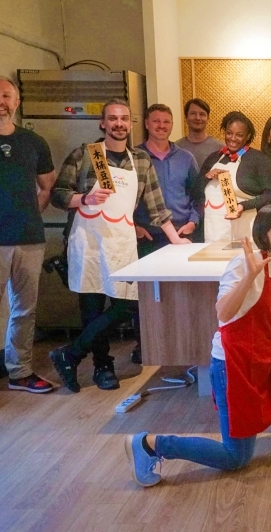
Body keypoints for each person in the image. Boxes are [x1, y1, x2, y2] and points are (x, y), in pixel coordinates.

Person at [125, 205, 271, 487]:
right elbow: (223, 313)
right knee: (235, 457)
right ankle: (150, 444)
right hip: (233, 363)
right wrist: (250, 276)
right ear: (263, 233)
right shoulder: (245, 263)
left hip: (266, 353)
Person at [49, 98, 191, 392]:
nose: (118, 123)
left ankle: (71, 353)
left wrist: (177, 239)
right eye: (112, 118)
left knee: (127, 304)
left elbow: (156, 206)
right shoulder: (86, 156)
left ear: (130, 123)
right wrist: (83, 199)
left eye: (124, 118)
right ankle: (103, 367)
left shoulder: (139, 161)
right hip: (88, 242)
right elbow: (58, 193)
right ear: (103, 123)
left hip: (121, 242)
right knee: (92, 308)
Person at [0, 76, 57, 418]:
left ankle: (20, 372)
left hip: (29, 239)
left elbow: (47, 184)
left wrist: (29, 211)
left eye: (6, 95)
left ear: (16, 102)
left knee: (25, 310)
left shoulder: (32, 141)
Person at [193, 111, 271, 243]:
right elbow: (196, 192)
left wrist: (244, 205)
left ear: (248, 136)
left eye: (239, 135)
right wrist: (207, 177)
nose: (233, 138)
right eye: (229, 133)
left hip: (245, 233)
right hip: (213, 233)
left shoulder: (259, 159)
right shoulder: (213, 158)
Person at [135, 103, 201, 253]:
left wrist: (192, 222)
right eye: (156, 121)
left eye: (166, 122)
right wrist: (134, 227)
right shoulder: (136, 157)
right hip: (146, 236)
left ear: (172, 125)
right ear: (146, 123)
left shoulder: (186, 158)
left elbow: (198, 197)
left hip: (181, 232)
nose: (161, 126)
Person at [175, 98, 224, 169]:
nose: (197, 118)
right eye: (193, 113)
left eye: (202, 114)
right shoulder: (176, 147)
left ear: (208, 118)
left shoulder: (220, 148)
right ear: (186, 118)